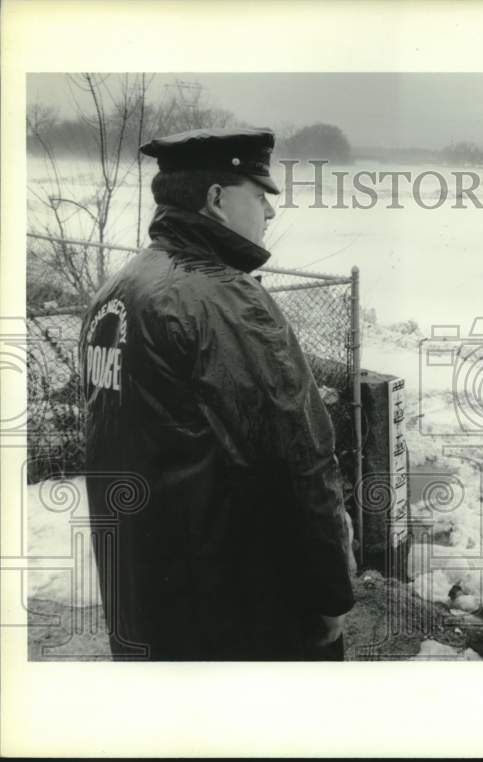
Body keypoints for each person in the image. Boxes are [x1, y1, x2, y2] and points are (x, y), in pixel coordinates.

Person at [79, 127, 355, 660]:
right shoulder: (225, 299)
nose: (270, 213)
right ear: (217, 200)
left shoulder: (117, 290)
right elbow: (298, 461)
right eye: (260, 194)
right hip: (237, 614)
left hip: (144, 601)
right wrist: (329, 597)